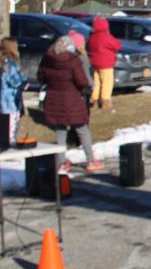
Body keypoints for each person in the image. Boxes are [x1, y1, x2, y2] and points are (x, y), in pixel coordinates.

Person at [38, 35, 104, 173]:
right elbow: (81, 81)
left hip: (54, 98)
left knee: (60, 131)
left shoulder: (47, 59)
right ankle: (90, 160)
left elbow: (41, 77)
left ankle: (61, 162)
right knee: (82, 129)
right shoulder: (73, 60)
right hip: (72, 98)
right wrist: (85, 88)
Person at [0, 37, 28, 146]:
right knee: (11, 132)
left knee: (3, 130)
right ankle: (10, 149)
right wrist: (24, 80)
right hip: (10, 101)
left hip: (0, 101)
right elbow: (15, 81)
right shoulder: (10, 64)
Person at [88, 15, 121, 110]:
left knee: (96, 82)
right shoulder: (106, 36)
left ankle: (94, 100)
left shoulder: (92, 37)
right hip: (106, 64)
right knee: (107, 82)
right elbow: (117, 45)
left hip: (94, 63)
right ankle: (105, 101)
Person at [68, 30, 94, 113]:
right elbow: (86, 74)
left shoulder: (66, 57)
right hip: (83, 86)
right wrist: (91, 85)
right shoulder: (83, 58)